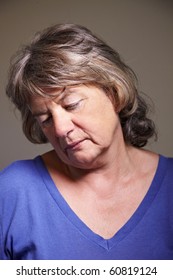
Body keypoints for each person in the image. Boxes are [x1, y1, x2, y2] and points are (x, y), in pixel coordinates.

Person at [0, 23, 173, 260]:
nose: (60, 129)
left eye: (71, 104)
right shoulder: (13, 191)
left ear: (114, 93)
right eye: (46, 118)